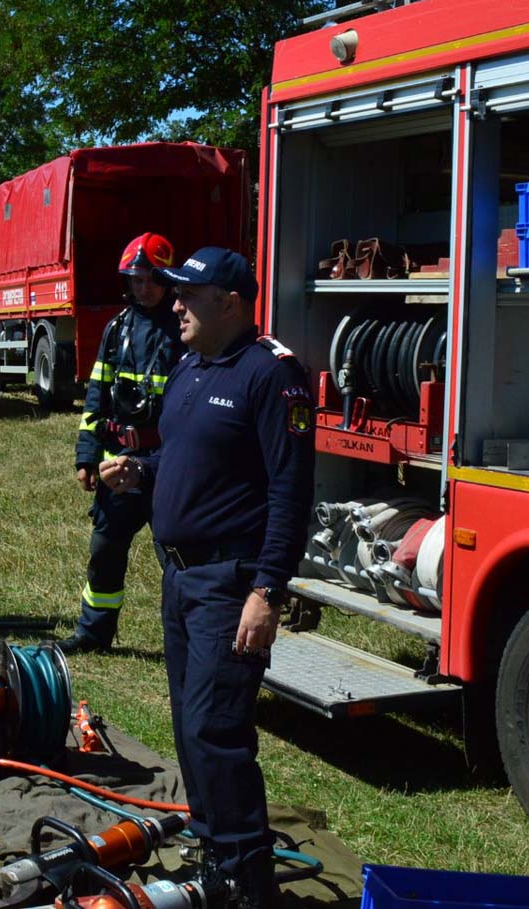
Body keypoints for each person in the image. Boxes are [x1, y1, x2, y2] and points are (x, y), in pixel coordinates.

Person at [100, 247, 312, 909]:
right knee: (192, 729)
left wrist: (267, 589)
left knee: (217, 728)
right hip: (181, 578)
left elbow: (291, 491)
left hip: (232, 580)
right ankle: (215, 850)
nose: (177, 303)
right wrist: (144, 469)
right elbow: (187, 452)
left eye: (191, 294)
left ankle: (249, 881)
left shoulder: (272, 375)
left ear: (231, 301)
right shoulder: (190, 364)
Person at [60, 233, 185, 654]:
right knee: (106, 547)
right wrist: (87, 455)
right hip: (120, 462)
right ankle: (93, 634)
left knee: (177, 555)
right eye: (135, 279)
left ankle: (186, 639)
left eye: (150, 278)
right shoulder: (119, 328)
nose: (142, 287)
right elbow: (97, 392)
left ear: (167, 279)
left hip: (168, 463)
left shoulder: (185, 328)